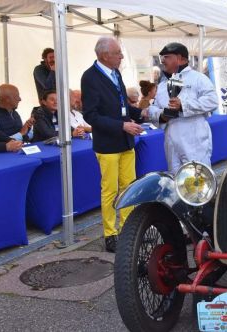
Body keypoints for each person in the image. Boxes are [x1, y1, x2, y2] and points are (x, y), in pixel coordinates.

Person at [81, 36, 144, 253]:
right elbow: (91, 115)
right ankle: (110, 233)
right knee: (110, 189)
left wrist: (140, 113)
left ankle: (128, 228)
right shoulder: (90, 77)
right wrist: (122, 126)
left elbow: (122, 105)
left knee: (130, 187)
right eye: (118, 53)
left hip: (126, 142)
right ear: (104, 55)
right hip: (108, 143)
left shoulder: (116, 73)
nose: (121, 56)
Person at [149, 42, 218, 173]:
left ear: (180, 58)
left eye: (167, 57)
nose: (163, 61)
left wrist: (184, 106)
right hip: (171, 139)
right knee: (176, 181)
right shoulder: (163, 85)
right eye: (162, 58)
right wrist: (161, 115)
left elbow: (212, 100)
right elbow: (153, 107)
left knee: (197, 179)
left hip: (193, 138)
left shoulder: (198, 78)